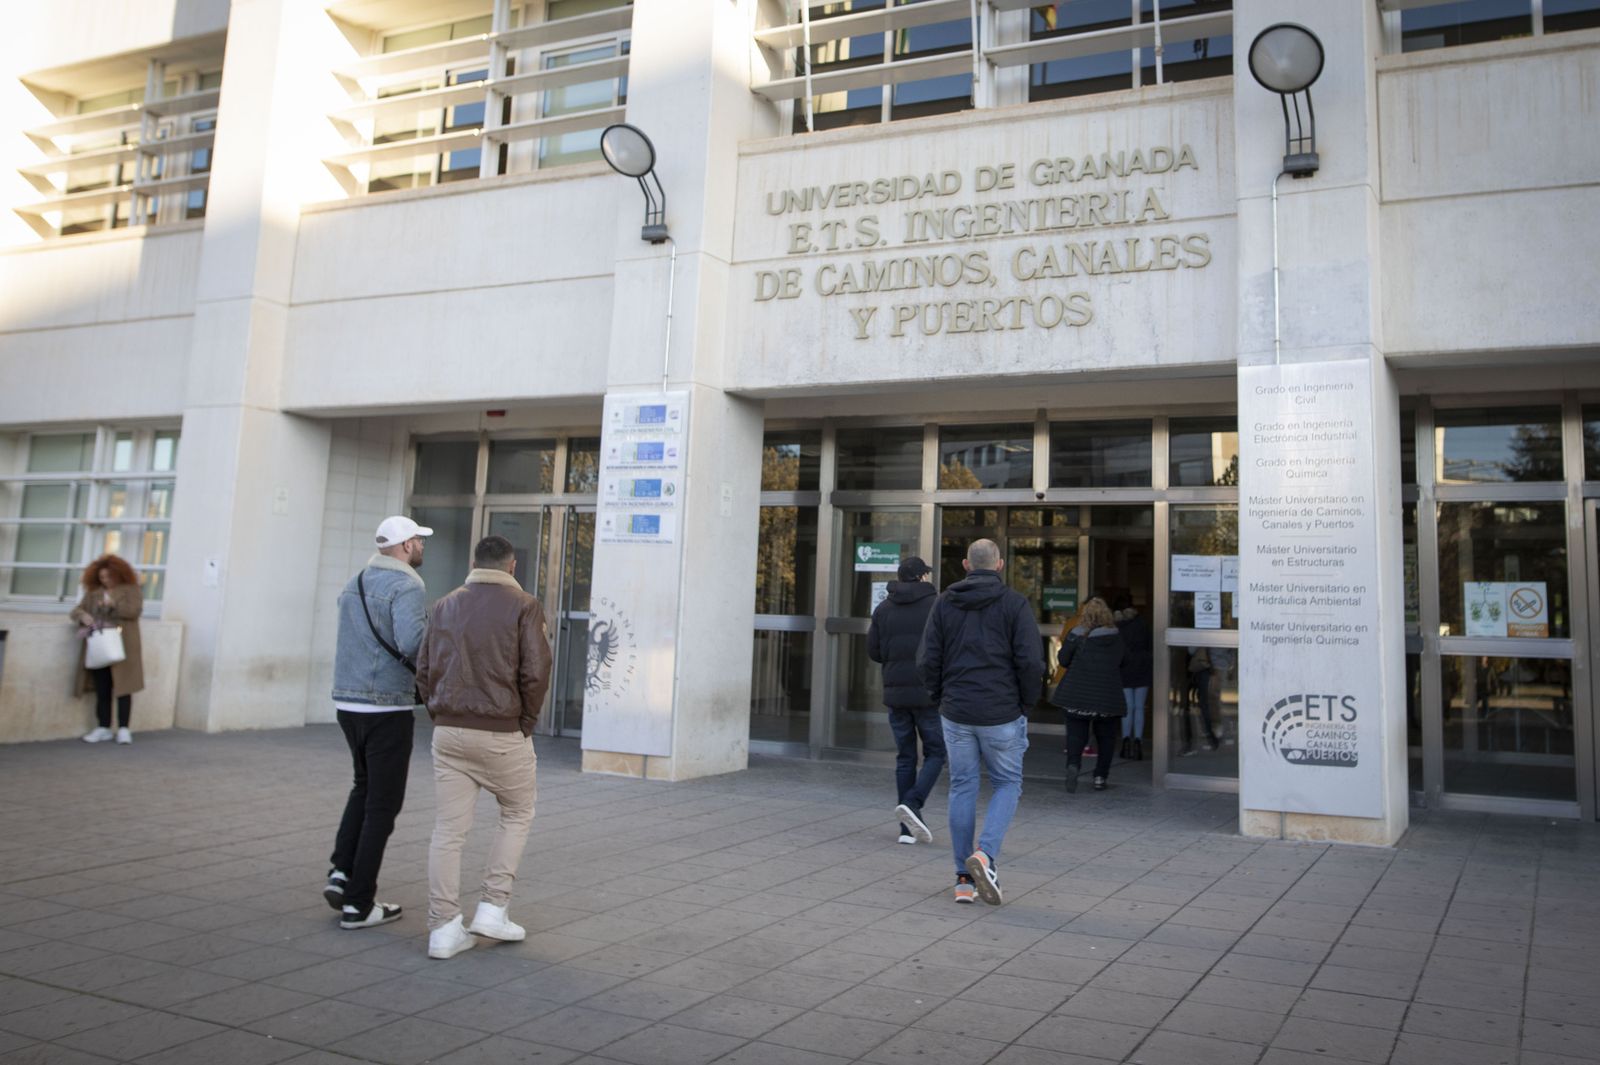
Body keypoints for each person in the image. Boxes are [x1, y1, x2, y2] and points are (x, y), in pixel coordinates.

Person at [417, 534, 552, 960]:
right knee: (516, 812)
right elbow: (536, 670)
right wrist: (525, 722)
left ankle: (443, 928)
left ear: (475, 563)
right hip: (501, 731)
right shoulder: (524, 606)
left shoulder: (443, 605)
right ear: (512, 567)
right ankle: (493, 907)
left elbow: (424, 669)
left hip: (448, 731)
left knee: (448, 830)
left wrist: (440, 714)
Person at [917, 538, 1040, 906]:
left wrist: (941, 697)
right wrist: (1025, 704)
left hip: (957, 712)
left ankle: (962, 880)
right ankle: (985, 855)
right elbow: (1031, 663)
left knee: (962, 787)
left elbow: (927, 660)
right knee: (1007, 784)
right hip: (1001, 711)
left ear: (966, 565)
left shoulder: (944, 603)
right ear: (1000, 565)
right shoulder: (1015, 605)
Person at [326, 515, 431, 929]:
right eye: (419, 540)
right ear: (405, 546)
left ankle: (341, 872)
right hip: (386, 707)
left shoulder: (356, 581)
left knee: (362, 788)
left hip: (347, 704)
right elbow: (412, 642)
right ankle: (359, 903)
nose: (422, 546)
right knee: (383, 805)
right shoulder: (407, 585)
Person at [867, 556, 943, 845]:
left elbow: (874, 651)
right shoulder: (937, 605)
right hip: (928, 693)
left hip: (896, 693)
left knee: (906, 757)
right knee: (936, 753)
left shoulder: (884, 608)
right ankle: (913, 802)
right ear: (922, 577)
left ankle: (906, 830)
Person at [1052, 597, 1126, 792]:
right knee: (1106, 738)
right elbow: (1122, 662)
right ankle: (1100, 776)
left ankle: (1073, 766)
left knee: (1076, 735)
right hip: (1107, 696)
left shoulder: (1075, 635)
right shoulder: (1116, 637)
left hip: (1077, 694)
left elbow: (1063, 660)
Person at [70, 555, 144, 745]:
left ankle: (124, 728)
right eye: (102, 577)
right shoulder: (94, 592)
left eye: (109, 576)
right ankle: (103, 726)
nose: (106, 580)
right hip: (99, 644)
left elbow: (133, 611)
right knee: (102, 687)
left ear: (119, 574)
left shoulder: (130, 590)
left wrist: (113, 605)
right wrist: (84, 616)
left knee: (124, 687)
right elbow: (75, 611)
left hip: (123, 643)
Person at [1114, 596, 1152, 761]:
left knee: (1127, 708)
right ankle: (1138, 742)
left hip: (1125, 670)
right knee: (1139, 707)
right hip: (1142, 668)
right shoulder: (1143, 624)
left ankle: (1125, 742)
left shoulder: (1118, 628)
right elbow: (1150, 647)